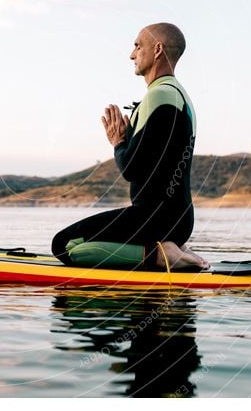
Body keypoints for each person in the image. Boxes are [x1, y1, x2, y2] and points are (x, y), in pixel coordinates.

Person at [51, 23, 209, 270]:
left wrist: (118, 142)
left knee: (63, 244)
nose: (132, 54)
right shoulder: (179, 96)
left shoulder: (160, 96)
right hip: (176, 218)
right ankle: (170, 246)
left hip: (155, 217)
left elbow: (131, 169)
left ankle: (162, 255)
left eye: (137, 45)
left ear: (157, 50)